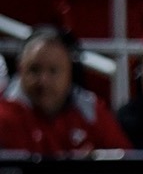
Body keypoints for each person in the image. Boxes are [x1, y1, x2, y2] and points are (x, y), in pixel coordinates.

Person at [0, 26, 130, 157]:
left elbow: (126, 164)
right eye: (34, 70)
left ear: (70, 73)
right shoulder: (4, 114)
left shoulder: (91, 112)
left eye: (53, 71)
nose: (43, 81)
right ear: (20, 70)